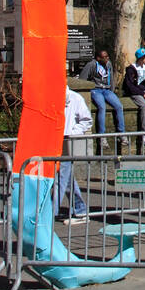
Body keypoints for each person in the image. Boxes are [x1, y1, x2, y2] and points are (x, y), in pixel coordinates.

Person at [55, 86, 91, 218]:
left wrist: (72, 134)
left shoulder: (75, 98)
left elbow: (86, 120)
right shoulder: (50, 98)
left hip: (67, 141)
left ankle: (50, 213)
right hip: (54, 141)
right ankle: (80, 208)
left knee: (60, 178)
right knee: (67, 177)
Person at [80, 48, 125, 147]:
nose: (107, 58)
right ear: (98, 58)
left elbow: (111, 78)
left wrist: (112, 91)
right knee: (102, 107)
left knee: (119, 106)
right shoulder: (91, 65)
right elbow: (82, 79)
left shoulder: (108, 64)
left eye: (107, 56)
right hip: (96, 90)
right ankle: (102, 136)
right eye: (104, 57)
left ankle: (122, 133)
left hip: (106, 90)